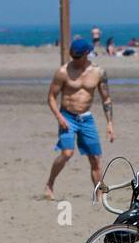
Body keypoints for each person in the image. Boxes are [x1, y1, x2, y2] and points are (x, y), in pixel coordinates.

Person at [45, 37, 114, 199]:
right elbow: (51, 97)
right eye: (73, 56)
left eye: (78, 57)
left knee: (95, 158)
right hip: (67, 116)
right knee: (67, 153)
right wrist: (59, 117)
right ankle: (50, 184)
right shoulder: (63, 72)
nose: (74, 60)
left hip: (86, 119)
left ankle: (99, 193)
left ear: (87, 54)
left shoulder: (98, 72)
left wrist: (110, 123)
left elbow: (106, 99)